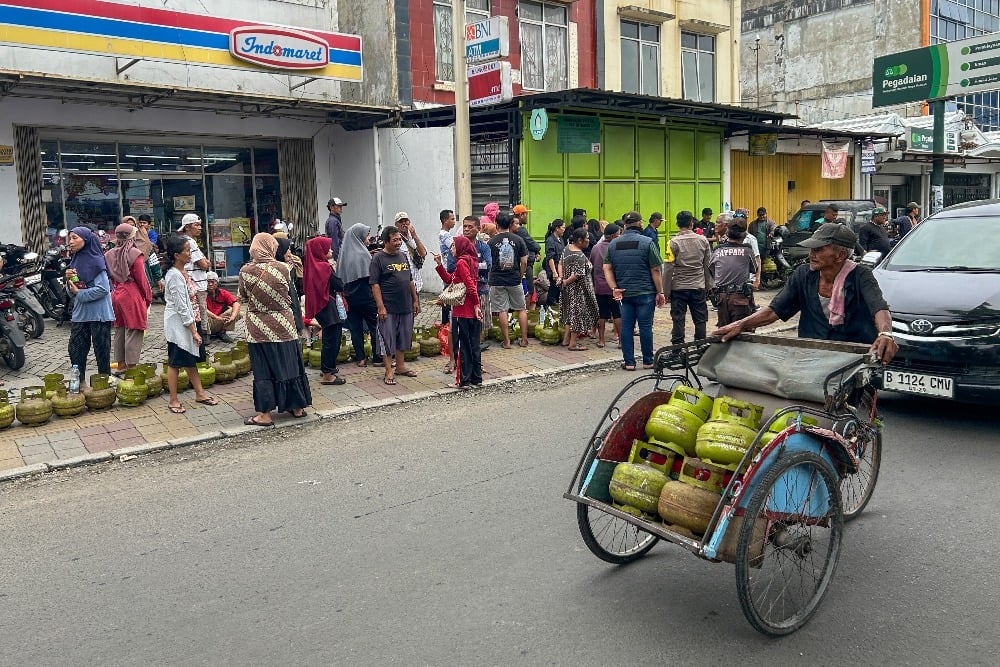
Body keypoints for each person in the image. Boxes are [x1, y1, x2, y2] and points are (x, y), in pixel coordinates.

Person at [713, 223, 900, 365]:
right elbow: (774, 311)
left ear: (840, 255)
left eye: (819, 249)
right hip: (812, 357)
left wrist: (885, 333)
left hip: (851, 361)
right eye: (811, 249)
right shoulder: (803, 274)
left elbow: (879, 308)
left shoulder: (861, 275)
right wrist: (741, 324)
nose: (812, 254)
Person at [238, 233, 312, 425]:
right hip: (284, 325)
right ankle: (296, 408)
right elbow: (289, 294)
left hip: (258, 327)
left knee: (263, 369)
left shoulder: (245, 271)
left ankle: (265, 415)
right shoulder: (284, 268)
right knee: (290, 364)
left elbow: (243, 297)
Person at [161, 236, 218, 414]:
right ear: (177, 255)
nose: (190, 253)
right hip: (181, 325)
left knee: (191, 359)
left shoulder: (185, 272)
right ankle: (173, 399)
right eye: (187, 250)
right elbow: (181, 307)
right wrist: (193, 330)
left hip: (192, 320)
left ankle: (200, 393)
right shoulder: (174, 276)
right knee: (176, 362)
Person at [603, 211, 666, 371]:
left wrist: (614, 288)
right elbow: (656, 270)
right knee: (645, 327)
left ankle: (629, 362)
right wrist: (660, 292)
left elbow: (607, 268)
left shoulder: (613, 244)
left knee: (626, 327)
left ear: (624, 225)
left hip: (624, 293)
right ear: (640, 224)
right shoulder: (647, 242)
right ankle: (648, 361)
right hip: (645, 292)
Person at [370, 226, 421, 385]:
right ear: (385, 241)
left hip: (405, 306)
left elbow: (410, 280)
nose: (399, 243)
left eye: (400, 239)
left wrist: (415, 300)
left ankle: (400, 366)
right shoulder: (378, 259)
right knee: (387, 339)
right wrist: (380, 307)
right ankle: (388, 370)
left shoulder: (403, 256)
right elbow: (375, 285)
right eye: (395, 240)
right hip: (388, 307)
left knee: (403, 337)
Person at [65, 226, 115, 382]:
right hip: (81, 313)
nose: (70, 242)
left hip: (99, 314)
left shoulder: (96, 261)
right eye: (70, 238)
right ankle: (79, 383)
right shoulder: (75, 260)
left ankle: (104, 384)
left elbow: (103, 289)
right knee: (76, 349)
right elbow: (71, 290)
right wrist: (68, 281)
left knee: (102, 352)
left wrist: (79, 293)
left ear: (85, 240)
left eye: (75, 238)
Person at [433, 235, 482, 389]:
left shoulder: (461, 262)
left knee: (464, 346)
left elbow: (469, 285)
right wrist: (440, 265)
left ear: (460, 247)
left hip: (464, 311)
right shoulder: (470, 260)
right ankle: (476, 378)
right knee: (474, 345)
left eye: (453, 246)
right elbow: (451, 279)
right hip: (471, 311)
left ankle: (464, 381)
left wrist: (475, 304)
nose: (451, 248)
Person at [104, 222, 152, 375]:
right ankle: (132, 367)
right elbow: (141, 279)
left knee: (120, 329)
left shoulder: (109, 254)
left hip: (116, 293)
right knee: (134, 329)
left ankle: (121, 365)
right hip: (131, 293)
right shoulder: (134, 253)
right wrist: (148, 296)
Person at [662, 210, 712, 345]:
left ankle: (677, 349)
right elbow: (708, 266)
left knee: (678, 319)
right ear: (691, 223)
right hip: (698, 286)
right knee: (700, 319)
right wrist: (709, 287)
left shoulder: (672, 243)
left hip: (679, 287)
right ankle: (700, 346)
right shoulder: (703, 241)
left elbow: (668, 269)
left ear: (677, 224)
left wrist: (665, 292)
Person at [339, 223, 383, 367]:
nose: (368, 238)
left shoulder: (343, 255)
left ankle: (361, 358)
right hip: (366, 297)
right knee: (374, 326)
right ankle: (377, 358)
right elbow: (371, 278)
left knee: (355, 329)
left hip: (350, 298)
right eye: (365, 235)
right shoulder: (363, 254)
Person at [304, 236, 347, 386]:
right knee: (332, 339)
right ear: (320, 250)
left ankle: (327, 368)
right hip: (327, 306)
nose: (331, 250)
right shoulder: (324, 267)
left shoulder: (312, 266)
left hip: (320, 307)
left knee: (329, 337)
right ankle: (328, 374)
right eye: (327, 248)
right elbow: (339, 285)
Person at [487, 212, 530, 349]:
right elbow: (524, 261)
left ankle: (506, 342)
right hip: (514, 279)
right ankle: (524, 340)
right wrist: (520, 275)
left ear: (496, 224)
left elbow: (488, 263)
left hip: (497, 280)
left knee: (502, 310)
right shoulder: (518, 240)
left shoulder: (491, 242)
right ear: (511, 224)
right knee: (521, 309)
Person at [559, 228, 599, 350]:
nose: (589, 240)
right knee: (577, 314)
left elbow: (560, 263)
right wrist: (566, 281)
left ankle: (566, 339)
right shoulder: (579, 255)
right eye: (587, 238)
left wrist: (561, 279)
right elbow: (576, 275)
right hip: (578, 289)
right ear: (580, 241)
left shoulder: (567, 248)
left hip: (566, 289)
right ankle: (573, 343)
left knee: (569, 313)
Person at [710, 225, 758, 327]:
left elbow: (711, 269)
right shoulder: (747, 250)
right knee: (742, 331)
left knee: (724, 331)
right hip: (739, 297)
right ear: (743, 237)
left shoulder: (717, 250)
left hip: (721, 298)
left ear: (727, 235)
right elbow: (754, 269)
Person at [590, 223, 622, 348]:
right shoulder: (616, 247)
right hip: (613, 286)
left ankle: (601, 340)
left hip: (599, 286)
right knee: (617, 313)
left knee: (602, 314)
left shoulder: (596, 248)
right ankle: (620, 340)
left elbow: (591, 263)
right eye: (619, 234)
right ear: (614, 235)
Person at [177, 213, 210, 330]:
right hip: (196, 283)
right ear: (187, 227)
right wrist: (206, 262)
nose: (200, 228)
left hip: (193, 282)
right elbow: (204, 264)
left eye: (200, 225)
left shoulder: (187, 241)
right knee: (201, 310)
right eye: (197, 225)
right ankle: (203, 333)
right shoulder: (190, 242)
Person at [275, 236, 306, 337]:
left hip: (293, 303)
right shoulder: (275, 271)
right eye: (286, 249)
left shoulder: (290, 264)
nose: (289, 252)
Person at [511, 205, 541, 307]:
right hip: (525, 264)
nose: (527, 217)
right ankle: (525, 312)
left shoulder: (519, 229)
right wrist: (538, 248)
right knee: (528, 288)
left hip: (523, 263)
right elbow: (530, 242)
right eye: (526, 214)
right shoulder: (521, 230)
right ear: (521, 215)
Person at [393, 212, 427, 294]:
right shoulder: (396, 239)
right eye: (401, 221)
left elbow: (423, 253)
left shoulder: (412, 237)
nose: (404, 223)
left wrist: (414, 235)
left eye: (406, 221)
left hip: (416, 281)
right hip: (403, 281)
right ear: (396, 225)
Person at [205, 271, 241, 343]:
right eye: (208, 282)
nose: (210, 284)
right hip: (208, 321)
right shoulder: (202, 294)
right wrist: (216, 317)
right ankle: (206, 334)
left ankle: (222, 332)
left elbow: (236, 304)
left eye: (213, 281)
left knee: (235, 312)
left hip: (219, 320)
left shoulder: (223, 293)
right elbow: (202, 309)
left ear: (217, 282)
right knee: (202, 314)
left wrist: (233, 317)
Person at [438, 208, 457, 324]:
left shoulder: (447, 234)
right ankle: (446, 323)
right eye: (452, 219)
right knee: (447, 296)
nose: (454, 221)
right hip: (448, 268)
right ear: (445, 220)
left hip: (447, 267)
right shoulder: (444, 235)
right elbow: (455, 247)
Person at [543, 219, 565, 308]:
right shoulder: (550, 240)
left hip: (560, 268)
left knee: (558, 290)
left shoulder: (560, 239)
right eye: (563, 227)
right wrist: (554, 272)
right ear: (557, 228)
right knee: (554, 289)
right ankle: (548, 307)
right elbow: (550, 258)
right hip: (554, 269)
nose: (564, 229)